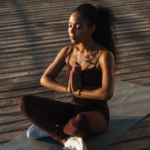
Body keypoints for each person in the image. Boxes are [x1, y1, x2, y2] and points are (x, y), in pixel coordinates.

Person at [19, 3, 118, 150]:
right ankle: (64, 139)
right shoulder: (67, 51)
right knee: (26, 102)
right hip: (72, 109)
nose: (71, 31)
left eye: (78, 26)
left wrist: (78, 92)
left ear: (92, 28)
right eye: (70, 25)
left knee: (80, 122)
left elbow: (106, 93)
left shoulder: (104, 56)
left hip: (96, 115)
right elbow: (45, 79)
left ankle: (47, 129)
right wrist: (68, 89)